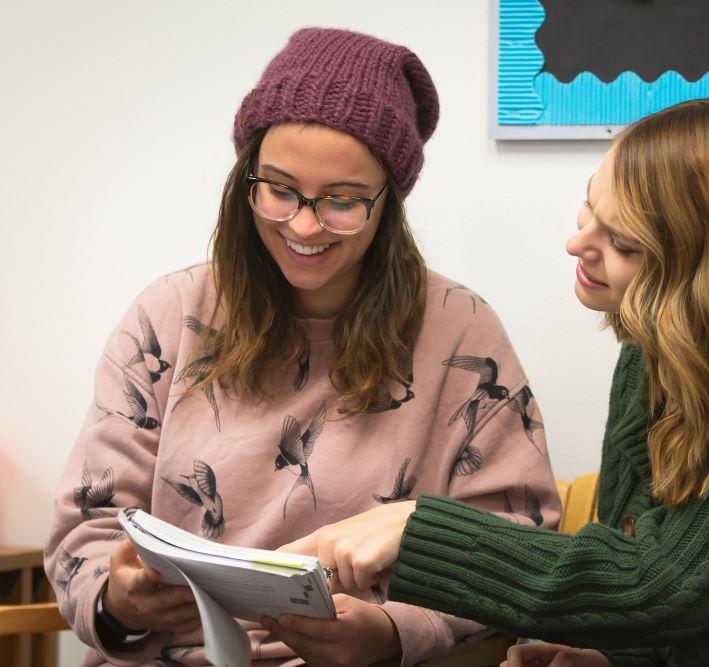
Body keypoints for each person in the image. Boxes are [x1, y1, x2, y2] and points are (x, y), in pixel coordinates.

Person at [275, 99, 709, 666]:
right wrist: (611, 658)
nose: (579, 244)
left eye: (625, 242)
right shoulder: (654, 351)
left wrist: (416, 524)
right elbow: (666, 569)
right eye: (589, 210)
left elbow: (660, 585)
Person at [45, 27, 560, 667]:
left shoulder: (461, 329)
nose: (304, 224)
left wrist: (390, 632)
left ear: (388, 205)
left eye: (342, 201)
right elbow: (86, 530)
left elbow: (517, 547)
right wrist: (118, 598)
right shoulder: (171, 314)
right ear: (246, 180)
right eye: (280, 189)